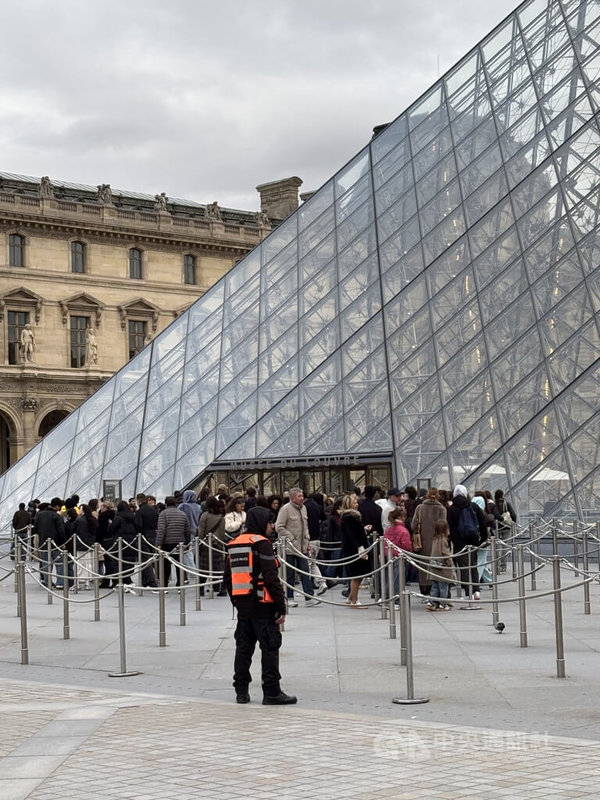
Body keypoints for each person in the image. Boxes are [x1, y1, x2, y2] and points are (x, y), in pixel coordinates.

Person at [223, 506, 296, 705]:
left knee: (243, 648)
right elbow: (271, 578)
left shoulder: (234, 543)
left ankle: (241, 691)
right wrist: (282, 606)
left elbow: (227, 578)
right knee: (270, 647)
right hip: (263, 604)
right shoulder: (262, 544)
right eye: (270, 523)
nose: (272, 527)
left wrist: (237, 601)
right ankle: (271, 691)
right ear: (262, 522)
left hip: (243, 605)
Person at [275, 488, 318, 608]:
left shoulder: (304, 508)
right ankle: (289, 597)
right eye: (299, 496)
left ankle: (309, 596)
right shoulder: (285, 509)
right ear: (292, 497)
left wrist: (307, 537)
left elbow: (305, 525)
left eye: (302, 495)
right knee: (289, 574)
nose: (302, 498)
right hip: (289, 547)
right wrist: (291, 537)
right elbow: (279, 526)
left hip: (302, 547)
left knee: (305, 571)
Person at [447, 485, 487, 600]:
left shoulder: (452, 509)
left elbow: (450, 527)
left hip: (459, 542)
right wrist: (482, 540)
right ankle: (476, 590)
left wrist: (452, 542)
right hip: (473, 540)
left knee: (463, 566)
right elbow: (482, 523)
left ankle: (467, 590)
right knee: (473, 564)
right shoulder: (473, 506)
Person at [411, 487, 447, 596]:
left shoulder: (420, 508)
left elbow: (413, 525)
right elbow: (443, 527)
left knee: (423, 567)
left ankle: (424, 590)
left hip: (422, 542)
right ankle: (436, 591)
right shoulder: (442, 509)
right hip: (438, 542)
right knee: (437, 567)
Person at [340, 493, 371, 608]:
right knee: (356, 576)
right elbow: (351, 534)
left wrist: (362, 529)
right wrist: (359, 547)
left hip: (353, 548)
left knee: (357, 574)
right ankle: (355, 600)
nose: (357, 504)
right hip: (354, 549)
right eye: (354, 502)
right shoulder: (350, 517)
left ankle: (351, 597)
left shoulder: (350, 517)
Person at [156, 496, 193, 589]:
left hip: (166, 543)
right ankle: (180, 584)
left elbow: (161, 530)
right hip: (179, 542)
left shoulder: (163, 514)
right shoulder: (182, 514)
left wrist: (158, 544)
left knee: (165, 565)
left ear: (166, 504)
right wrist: (187, 543)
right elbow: (187, 530)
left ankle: (164, 584)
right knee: (179, 564)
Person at [383, 507, 412, 600]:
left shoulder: (389, 529)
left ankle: (388, 596)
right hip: (400, 556)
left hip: (389, 555)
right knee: (398, 579)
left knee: (390, 578)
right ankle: (395, 599)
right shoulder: (403, 530)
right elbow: (406, 545)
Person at [425, 519, 454, 612]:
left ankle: (431, 602)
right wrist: (450, 563)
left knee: (435, 587)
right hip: (443, 568)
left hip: (434, 567)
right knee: (443, 588)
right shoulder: (443, 540)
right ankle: (443, 604)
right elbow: (445, 553)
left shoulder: (435, 539)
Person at [135, 493, 160, 591]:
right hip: (153, 535)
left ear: (139, 501)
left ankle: (151, 581)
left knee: (145, 560)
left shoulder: (140, 511)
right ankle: (146, 581)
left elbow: (138, 525)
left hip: (144, 537)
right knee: (153, 558)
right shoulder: (154, 510)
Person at [494, 490, 516, 573]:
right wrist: (513, 522)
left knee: (496, 547)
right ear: (502, 495)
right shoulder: (507, 504)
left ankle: (496, 565)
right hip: (506, 527)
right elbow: (513, 515)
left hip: (496, 528)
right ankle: (503, 566)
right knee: (504, 547)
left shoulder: (493, 504)